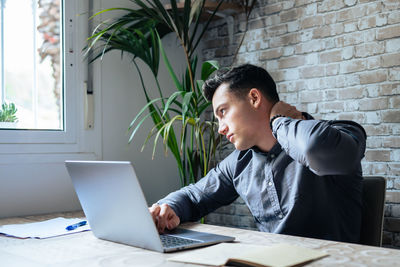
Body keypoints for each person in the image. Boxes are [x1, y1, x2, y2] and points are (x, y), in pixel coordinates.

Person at [149, 64, 367, 243]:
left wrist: (279, 122)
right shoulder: (240, 162)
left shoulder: (342, 134)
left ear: (254, 98)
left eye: (223, 112)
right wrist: (168, 208)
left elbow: (314, 149)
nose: (220, 128)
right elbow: (194, 196)